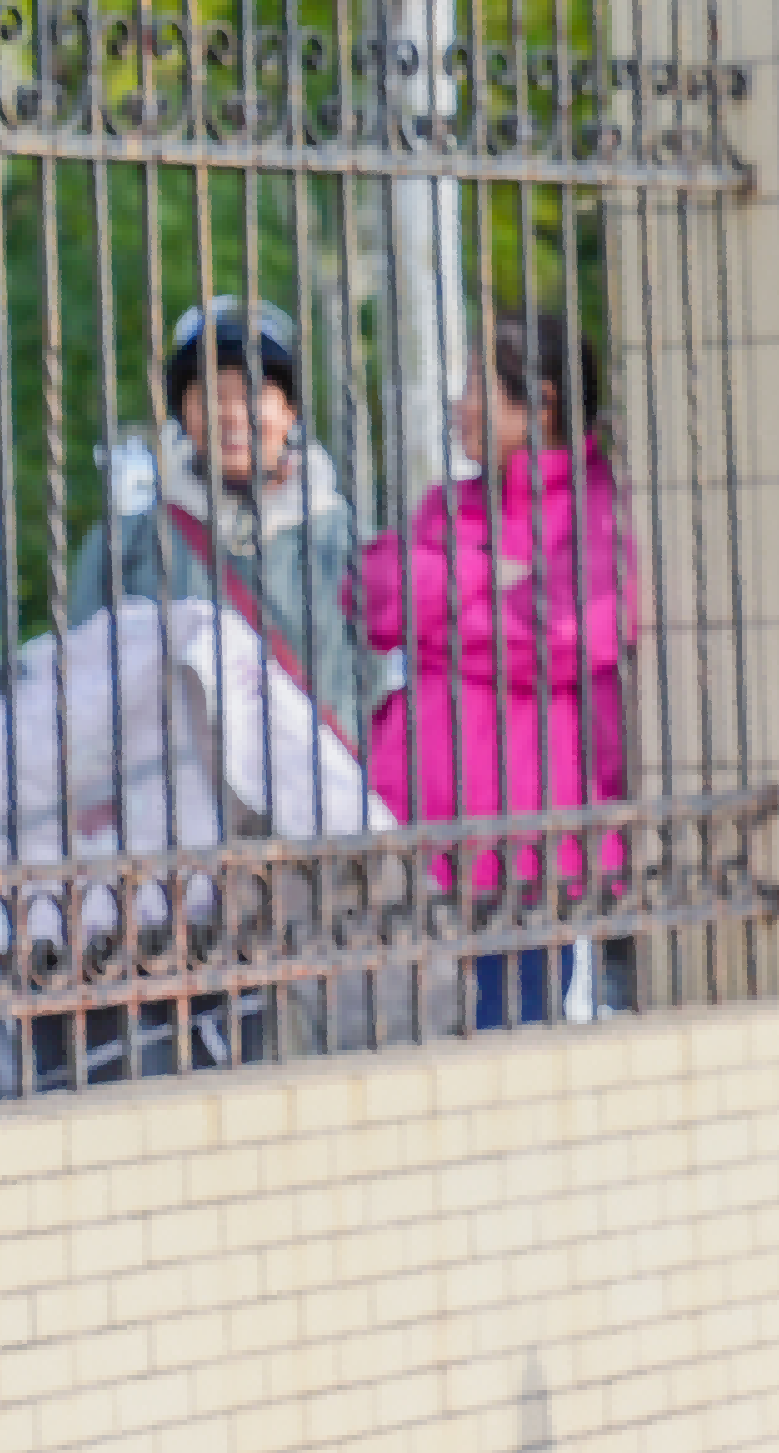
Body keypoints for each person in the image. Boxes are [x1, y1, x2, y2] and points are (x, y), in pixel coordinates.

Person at [352, 311, 643, 1030]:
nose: (461, 406)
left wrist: (435, 622)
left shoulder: (598, 508)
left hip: (532, 846)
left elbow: (563, 638)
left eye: (479, 387)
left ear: (540, 401)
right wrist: (487, 572)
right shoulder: (452, 503)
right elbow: (372, 591)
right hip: (421, 836)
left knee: (514, 1030)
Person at [66, 298, 389, 752]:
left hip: (315, 783)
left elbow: (378, 686)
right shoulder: (129, 540)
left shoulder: (346, 540)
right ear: (183, 413)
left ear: (290, 411)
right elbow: (84, 676)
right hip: (170, 786)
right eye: (211, 396)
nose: (234, 414)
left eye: (255, 392)